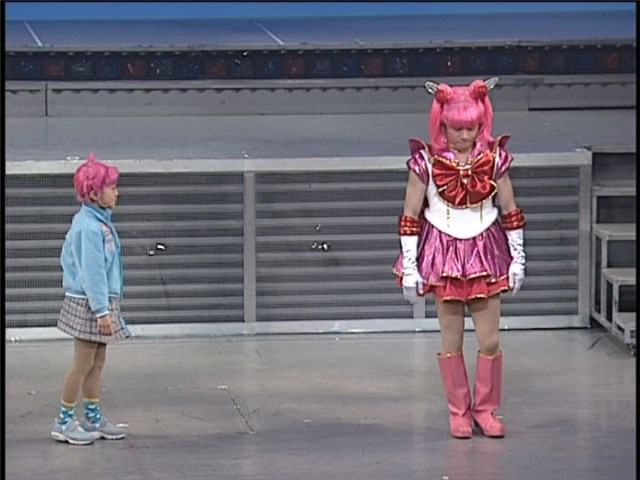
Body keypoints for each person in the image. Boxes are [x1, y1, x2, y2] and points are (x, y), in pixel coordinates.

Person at [393, 78, 526, 439]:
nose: (465, 135)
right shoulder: (425, 163)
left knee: (490, 341)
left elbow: (510, 209)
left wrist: (518, 257)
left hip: (485, 252)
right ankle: (459, 412)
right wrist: (410, 266)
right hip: (444, 254)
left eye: (472, 128)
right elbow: (410, 215)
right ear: (442, 125)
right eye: (457, 128)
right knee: (451, 341)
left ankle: (485, 410)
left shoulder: (494, 159)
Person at [51, 152, 131, 445]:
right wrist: (101, 311)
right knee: (82, 363)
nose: (116, 193)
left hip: (99, 302)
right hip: (89, 304)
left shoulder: (98, 223)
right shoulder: (88, 227)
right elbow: (92, 273)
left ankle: (93, 417)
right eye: (112, 188)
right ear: (95, 194)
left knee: (97, 362)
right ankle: (63, 421)